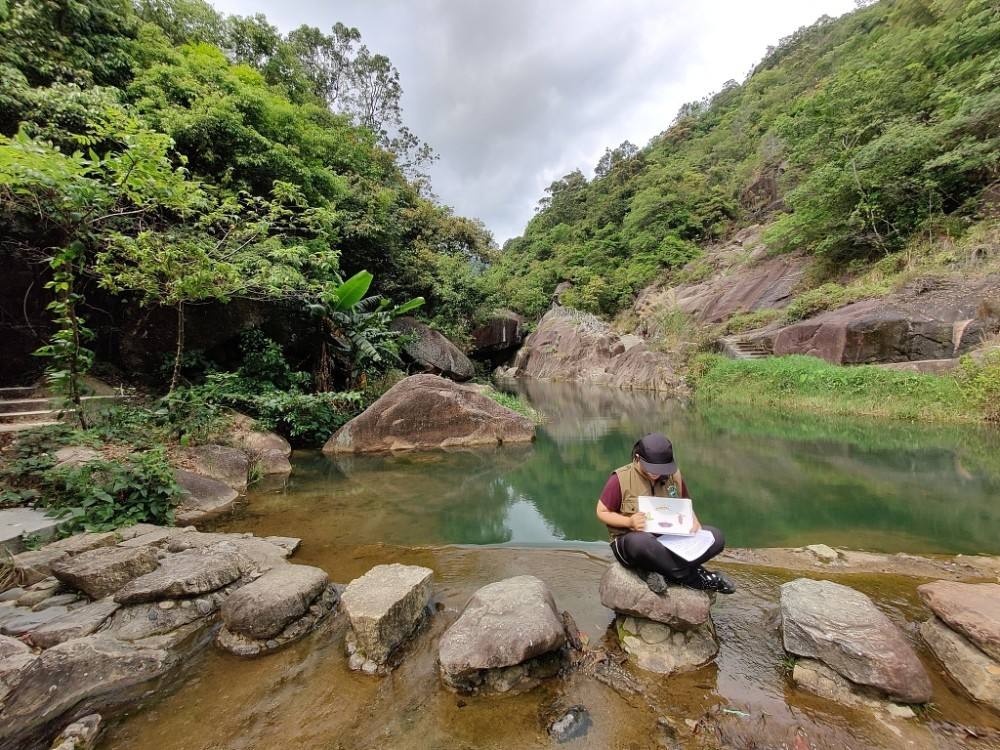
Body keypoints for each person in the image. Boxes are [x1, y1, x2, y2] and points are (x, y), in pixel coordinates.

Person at [595, 432, 735, 594]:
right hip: (632, 541)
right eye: (652, 468)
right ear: (638, 458)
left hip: (670, 540)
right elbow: (602, 511)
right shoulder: (621, 478)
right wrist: (629, 522)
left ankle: (663, 571)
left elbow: (685, 504)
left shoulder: (673, 476)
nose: (656, 473)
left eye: (661, 468)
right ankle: (695, 578)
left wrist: (693, 521)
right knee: (642, 543)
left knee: (715, 537)